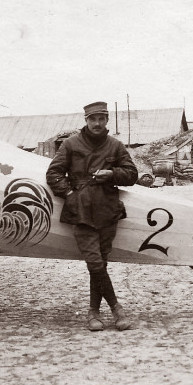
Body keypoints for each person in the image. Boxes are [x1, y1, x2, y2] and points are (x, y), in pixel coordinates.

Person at [46, 101, 138, 331]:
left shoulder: (115, 146)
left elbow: (132, 174)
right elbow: (54, 173)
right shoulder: (70, 144)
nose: (97, 123)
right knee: (95, 264)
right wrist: (69, 194)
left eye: (101, 119)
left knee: (100, 264)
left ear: (107, 120)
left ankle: (93, 313)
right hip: (81, 212)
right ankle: (117, 309)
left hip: (107, 210)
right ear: (85, 120)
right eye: (92, 119)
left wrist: (112, 173)